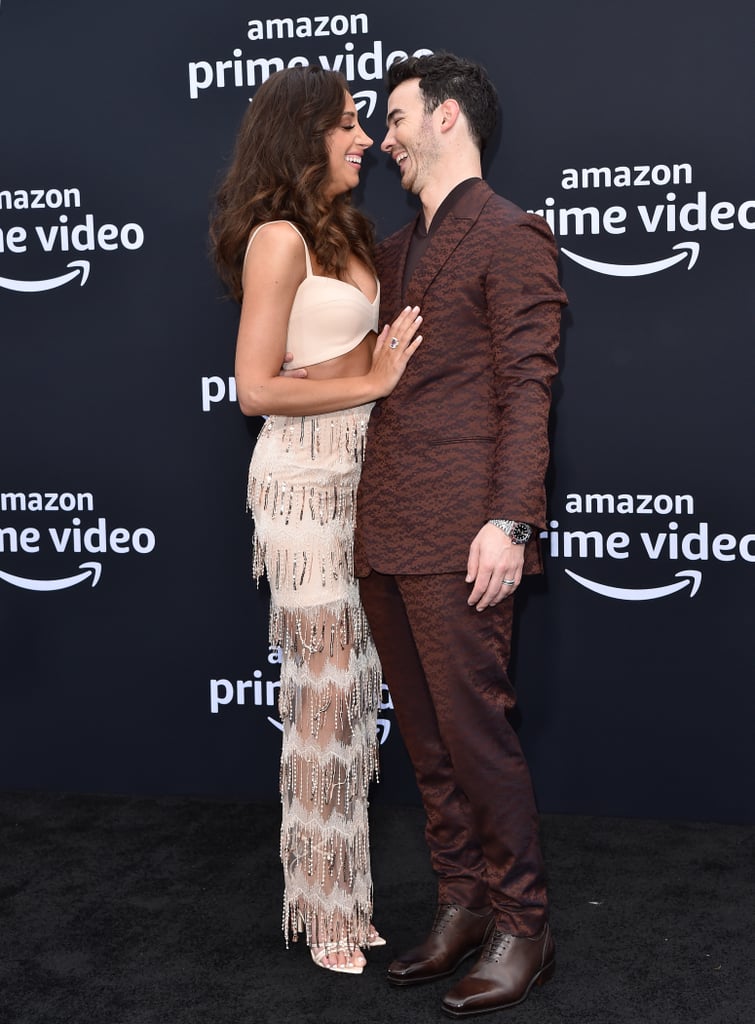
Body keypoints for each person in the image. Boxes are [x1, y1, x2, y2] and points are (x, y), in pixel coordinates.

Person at [354, 53, 568, 1016]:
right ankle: (461, 904)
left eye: (395, 117)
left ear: (446, 119)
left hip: (464, 528)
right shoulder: (393, 251)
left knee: (477, 736)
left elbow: (528, 387)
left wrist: (509, 520)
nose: (383, 137)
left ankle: (525, 924)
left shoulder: (510, 233)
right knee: (430, 745)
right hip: (384, 528)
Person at [209, 65, 423, 976]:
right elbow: (255, 388)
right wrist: (368, 379)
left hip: (363, 478)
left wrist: (356, 378)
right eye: (346, 124)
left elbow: (345, 363)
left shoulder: (351, 232)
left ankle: (353, 895)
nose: (366, 139)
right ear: (304, 133)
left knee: (357, 692)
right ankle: (322, 905)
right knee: (322, 695)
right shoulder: (274, 239)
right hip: (300, 487)